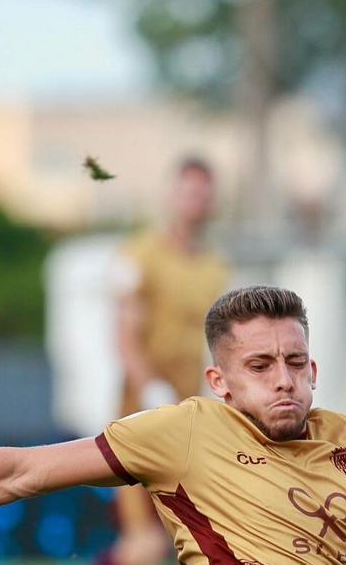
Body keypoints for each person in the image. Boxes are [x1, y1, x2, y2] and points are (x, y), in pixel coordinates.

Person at [0, 286, 346, 564]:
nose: (284, 381)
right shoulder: (183, 432)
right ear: (219, 381)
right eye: (260, 366)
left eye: (295, 362)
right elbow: (18, 471)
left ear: (313, 371)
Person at [107, 156, 230, 564]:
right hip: (139, 417)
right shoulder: (140, 254)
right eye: (190, 192)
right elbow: (125, 336)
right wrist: (150, 389)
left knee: (191, 542)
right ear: (172, 196)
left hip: (187, 418)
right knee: (144, 544)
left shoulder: (215, 267)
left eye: (204, 195)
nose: (196, 202)